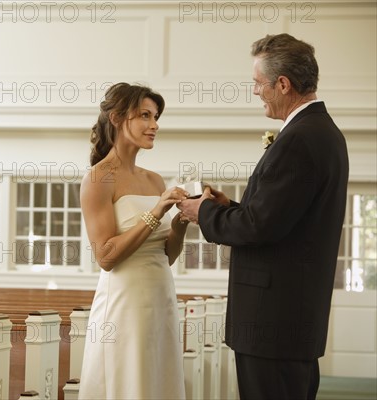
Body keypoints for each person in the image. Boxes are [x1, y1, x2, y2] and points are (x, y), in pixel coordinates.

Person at [178, 33, 349, 399]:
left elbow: (259, 227)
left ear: (283, 84)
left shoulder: (300, 139)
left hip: (273, 323)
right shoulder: (323, 133)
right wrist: (227, 208)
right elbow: (278, 219)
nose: (256, 91)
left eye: (259, 83)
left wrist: (202, 211)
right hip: (291, 319)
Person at [78, 82, 188, 399]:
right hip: (124, 301)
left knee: (159, 380)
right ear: (116, 118)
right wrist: (156, 210)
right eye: (144, 116)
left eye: (155, 117)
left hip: (161, 293)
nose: (154, 125)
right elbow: (106, 257)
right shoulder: (99, 178)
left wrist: (181, 220)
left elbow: (167, 254)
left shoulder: (153, 179)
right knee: (128, 382)